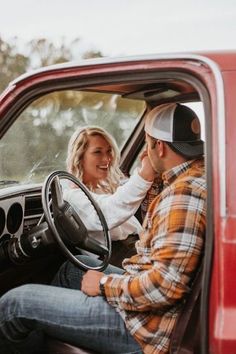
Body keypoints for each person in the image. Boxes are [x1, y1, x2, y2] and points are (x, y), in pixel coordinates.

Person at [0, 103, 206, 354]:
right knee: (72, 267)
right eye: (98, 152)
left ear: (159, 147)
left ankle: (48, 323)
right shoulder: (197, 177)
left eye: (148, 143)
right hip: (152, 305)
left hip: (146, 327)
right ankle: (55, 325)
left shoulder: (181, 196)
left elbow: (162, 288)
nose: (107, 159)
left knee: (14, 305)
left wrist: (103, 284)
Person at [65, 126, 143, 258]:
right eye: (97, 152)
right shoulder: (73, 196)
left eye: (109, 151)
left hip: (137, 249)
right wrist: (144, 176)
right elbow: (104, 214)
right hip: (115, 258)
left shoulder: (106, 186)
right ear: (80, 156)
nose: (107, 159)